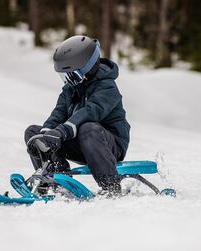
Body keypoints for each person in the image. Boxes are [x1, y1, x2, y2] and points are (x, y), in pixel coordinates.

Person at [24, 35, 130, 196]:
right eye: (64, 76)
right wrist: (46, 135)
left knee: (88, 128)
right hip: (81, 142)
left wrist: (62, 131)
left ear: (87, 69)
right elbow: (57, 114)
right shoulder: (70, 89)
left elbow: (89, 112)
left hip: (107, 146)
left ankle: (111, 188)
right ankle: (56, 180)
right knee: (34, 132)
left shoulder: (107, 88)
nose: (68, 81)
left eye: (72, 75)